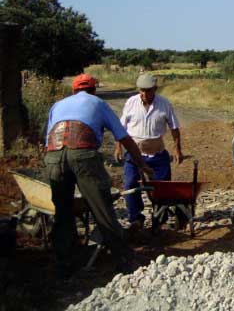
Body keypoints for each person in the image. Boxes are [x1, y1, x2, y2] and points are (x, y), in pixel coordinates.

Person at [45, 74, 153, 278]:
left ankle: (64, 262)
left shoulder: (57, 105)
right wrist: (142, 163)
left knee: (62, 211)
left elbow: (47, 141)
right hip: (83, 155)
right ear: (93, 90)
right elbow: (124, 137)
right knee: (102, 209)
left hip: (53, 156)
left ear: (73, 91)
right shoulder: (98, 103)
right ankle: (125, 260)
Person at [115, 73, 183, 229]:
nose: (144, 94)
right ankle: (135, 218)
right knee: (131, 185)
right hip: (134, 154)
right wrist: (118, 147)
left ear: (155, 89)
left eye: (148, 90)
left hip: (157, 153)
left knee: (161, 187)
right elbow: (121, 127)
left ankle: (160, 217)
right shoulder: (131, 103)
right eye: (142, 90)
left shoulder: (165, 104)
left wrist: (177, 149)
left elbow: (174, 128)